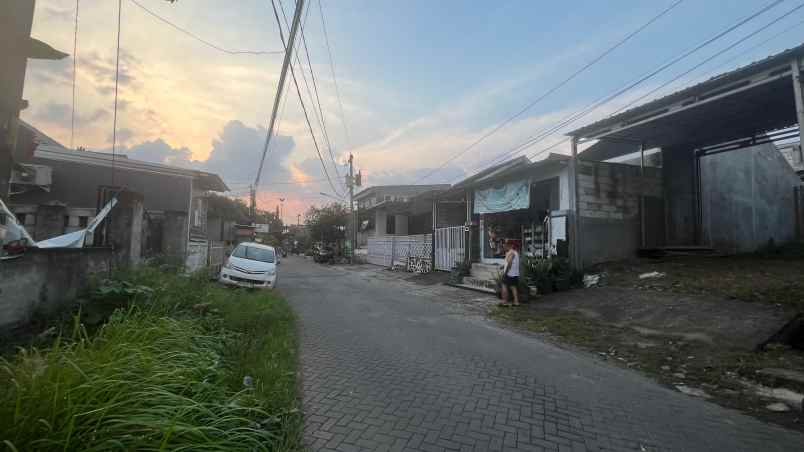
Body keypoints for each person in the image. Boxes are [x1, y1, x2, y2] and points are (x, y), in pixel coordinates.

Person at [500, 240, 520, 306]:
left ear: (509, 246)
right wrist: (503, 266)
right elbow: (511, 263)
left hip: (509, 273)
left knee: (504, 286)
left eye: (505, 245)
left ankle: (504, 302)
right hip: (515, 274)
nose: (504, 246)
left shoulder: (511, 252)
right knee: (513, 287)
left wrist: (506, 272)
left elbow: (509, 263)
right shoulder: (515, 253)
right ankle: (516, 302)